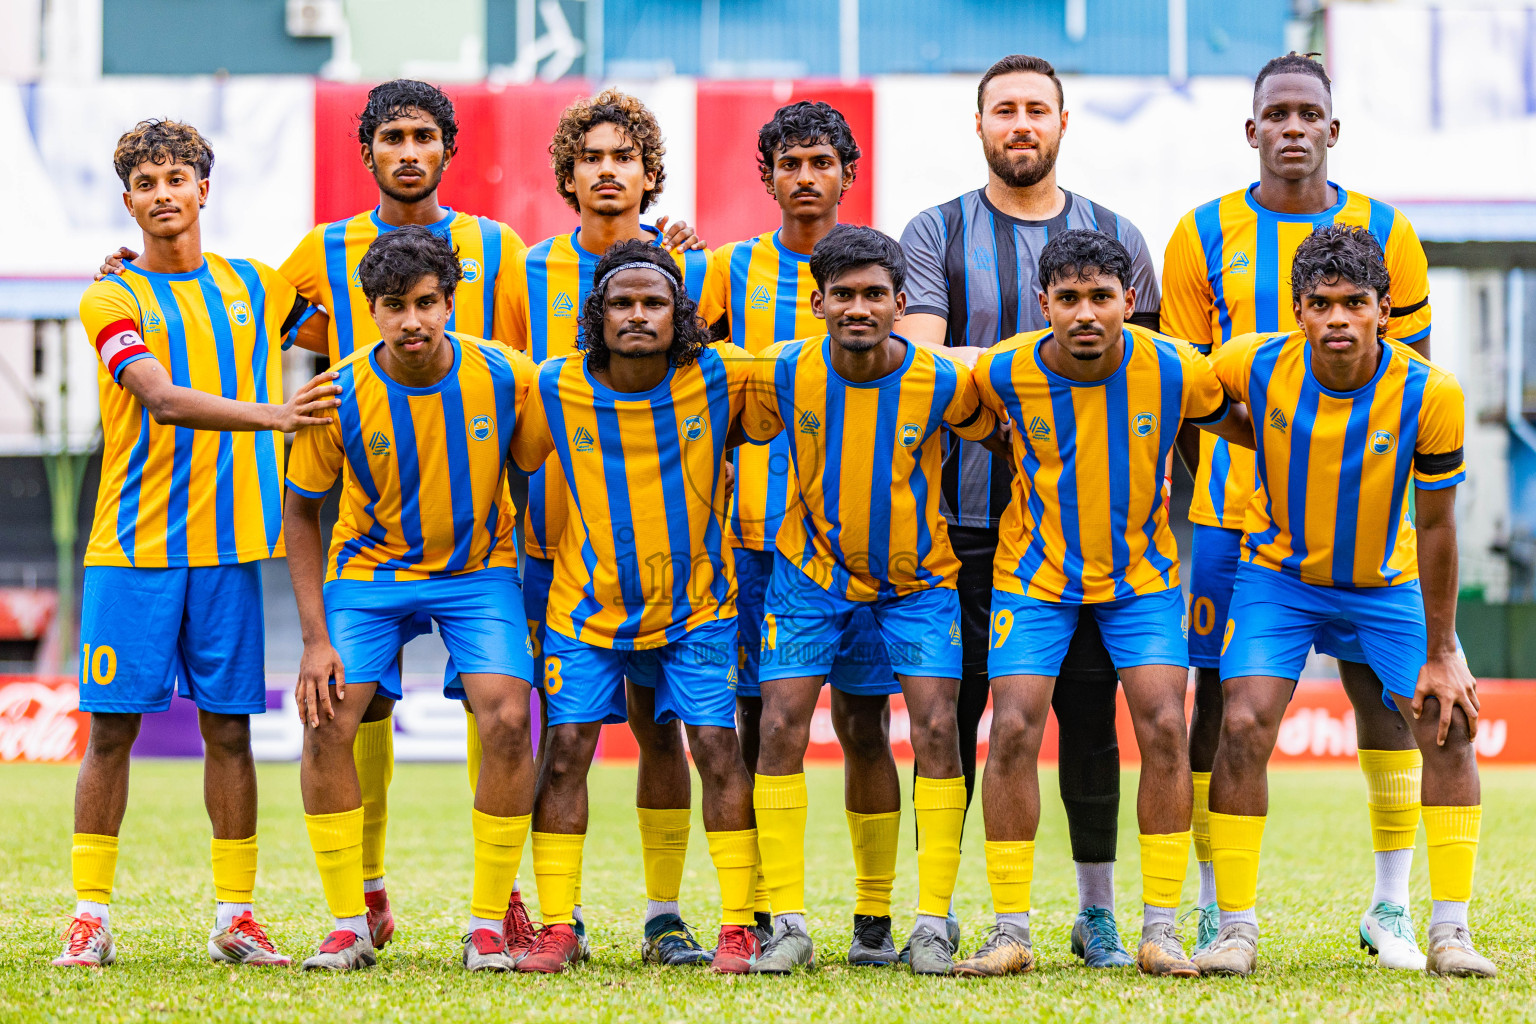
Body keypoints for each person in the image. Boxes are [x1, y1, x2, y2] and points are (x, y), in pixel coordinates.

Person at [1161, 52, 1437, 965]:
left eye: (1306, 113)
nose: (1290, 127)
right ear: (1251, 131)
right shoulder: (1201, 236)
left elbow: (1411, 386)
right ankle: (1217, 906)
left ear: (1331, 128)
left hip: (1361, 524)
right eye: (1273, 113)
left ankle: (1390, 906)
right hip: (1228, 521)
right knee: (1221, 706)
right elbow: (1191, 394)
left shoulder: (1387, 233)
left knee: (1383, 699)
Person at [898, 53, 1163, 966]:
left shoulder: (1117, 233)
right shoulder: (934, 232)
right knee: (962, 716)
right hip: (962, 522)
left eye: (1036, 110)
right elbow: (928, 366)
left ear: (1061, 123)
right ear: (980, 127)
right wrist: (1031, 369)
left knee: (1090, 721)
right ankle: (942, 912)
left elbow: (1152, 375)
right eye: (1003, 109)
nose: (1021, 124)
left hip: (1092, 529)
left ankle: (1096, 914)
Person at [54, 119, 338, 969]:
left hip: (226, 555)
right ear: (129, 201)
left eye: (178, 177)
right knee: (110, 734)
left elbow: (351, 327)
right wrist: (278, 415)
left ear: (204, 190)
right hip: (130, 552)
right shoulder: (113, 298)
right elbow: (161, 397)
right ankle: (90, 916)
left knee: (230, 735)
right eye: (146, 184)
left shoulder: (254, 285)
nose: (164, 194)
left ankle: (235, 917)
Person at [1193, 226, 1495, 980]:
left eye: (1354, 303)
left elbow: (1437, 524)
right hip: (1279, 579)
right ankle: (1234, 929)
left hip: (1386, 585)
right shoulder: (1253, 361)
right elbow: (1188, 391)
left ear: (1384, 310)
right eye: (1321, 304)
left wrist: (1443, 649)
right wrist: (1245, 429)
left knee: (1448, 726)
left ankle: (1450, 932)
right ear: (1297, 310)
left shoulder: (1432, 392)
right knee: (1241, 721)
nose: (1337, 319)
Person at [954, 230, 1251, 979]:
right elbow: (986, 432)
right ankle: (1010, 932)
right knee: (1013, 727)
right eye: (1070, 298)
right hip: (1033, 575)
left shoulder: (1177, 368)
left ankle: (1161, 931)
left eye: (1102, 298)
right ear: (1045, 302)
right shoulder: (1003, 372)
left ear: (1130, 302)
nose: (1086, 313)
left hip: (1142, 579)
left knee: (1163, 729)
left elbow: (1240, 430)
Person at [746, 225, 1002, 976]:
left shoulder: (942, 381)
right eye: (844, 295)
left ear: (900, 302)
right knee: (781, 727)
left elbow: (1014, 439)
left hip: (918, 581)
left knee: (932, 731)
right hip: (809, 576)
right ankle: (787, 922)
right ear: (818, 301)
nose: (859, 308)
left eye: (875, 295)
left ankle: (924, 922)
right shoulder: (783, 373)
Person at [283, 227, 540, 972]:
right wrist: (311, 638)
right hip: (368, 574)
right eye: (394, 307)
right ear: (371, 311)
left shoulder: (507, 376)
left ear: (451, 301)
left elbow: (532, 462)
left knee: (508, 716)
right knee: (328, 719)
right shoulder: (339, 394)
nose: (413, 322)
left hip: (478, 571)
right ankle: (346, 923)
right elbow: (301, 512)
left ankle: (488, 923)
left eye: (427, 303)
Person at [507, 241, 766, 976]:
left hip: (699, 610)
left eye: (654, 303)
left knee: (717, 752)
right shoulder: (555, 385)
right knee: (564, 758)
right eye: (621, 302)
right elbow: (518, 458)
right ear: (596, 314)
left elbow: (813, 377)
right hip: (584, 609)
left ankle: (737, 927)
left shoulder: (723, 375)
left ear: (681, 315)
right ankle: (559, 925)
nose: (638, 315)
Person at [498, 88, 713, 964]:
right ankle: (560, 917)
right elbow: (497, 389)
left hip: (672, 559)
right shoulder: (525, 269)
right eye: (591, 157)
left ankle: (664, 915)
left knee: (663, 730)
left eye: (624, 157)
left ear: (649, 175)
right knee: (560, 737)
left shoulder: (695, 273)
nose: (608, 170)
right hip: (555, 551)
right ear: (568, 175)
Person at [695, 101, 902, 961]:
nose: (807, 176)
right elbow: (687, 384)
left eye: (822, 161)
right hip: (751, 540)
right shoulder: (725, 272)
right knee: (754, 724)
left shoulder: (874, 267)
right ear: (768, 177)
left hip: (861, 539)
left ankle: (873, 917)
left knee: (863, 723)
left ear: (846, 175)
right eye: (791, 163)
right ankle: (755, 915)